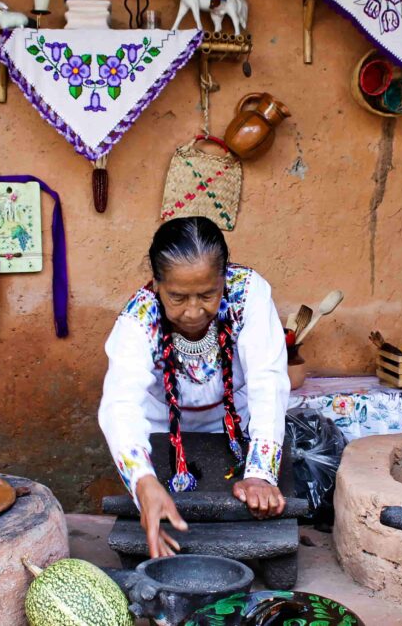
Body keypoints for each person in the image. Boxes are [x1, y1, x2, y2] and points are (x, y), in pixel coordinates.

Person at [99, 217, 290, 558]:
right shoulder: (137, 320)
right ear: (156, 284)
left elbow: (268, 379)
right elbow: (120, 404)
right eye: (177, 297)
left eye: (207, 294)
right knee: (171, 517)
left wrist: (260, 474)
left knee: (240, 526)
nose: (192, 311)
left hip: (237, 432)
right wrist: (143, 480)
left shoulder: (249, 293)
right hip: (163, 437)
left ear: (224, 278)